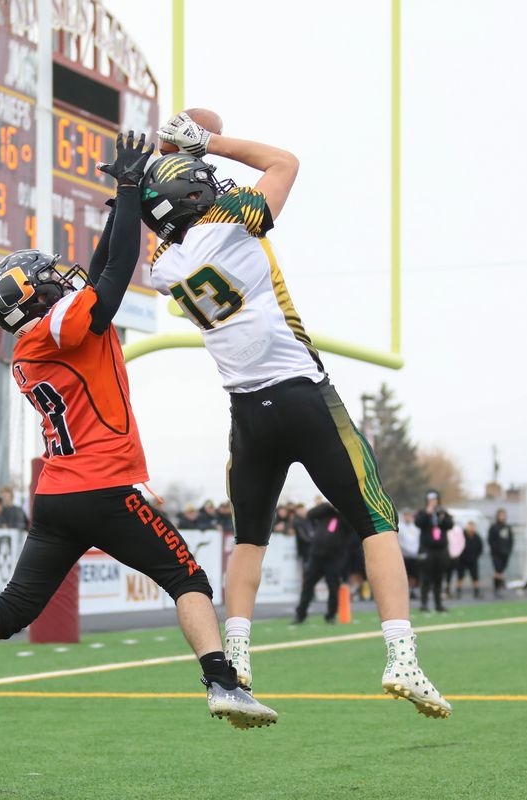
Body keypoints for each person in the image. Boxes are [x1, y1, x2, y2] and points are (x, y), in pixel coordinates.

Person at [0, 132, 276, 766]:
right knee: (186, 576)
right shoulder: (59, 328)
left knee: (16, 603)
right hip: (101, 484)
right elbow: (108, 286)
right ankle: (222, 683)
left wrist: (118, 207)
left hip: (58, 494)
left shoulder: (29, 345)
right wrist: (130, 195)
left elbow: (104, 271)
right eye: (49, 279)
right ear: (39, 300)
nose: (60, 277)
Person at [142, 112, 449, 718]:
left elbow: (165, 216)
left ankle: (238, 655)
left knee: (250, 538)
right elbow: (284, 162)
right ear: (202, 191)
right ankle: (402, 656)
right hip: (302, 393)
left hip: (246, 414)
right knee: (377, 519)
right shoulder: (233, 227)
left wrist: (165, 168)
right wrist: (208, 143)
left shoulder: (165, 267)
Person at [293, 502, 350, 624]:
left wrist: (342, 509)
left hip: (334, 558)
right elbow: (311, 514)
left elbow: (350, 527)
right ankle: (300, 615)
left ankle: (331, 615)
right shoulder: (326, 513)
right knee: (307, 586)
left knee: (333, 587)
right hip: (317, 556)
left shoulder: (345, 517)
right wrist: (329, 505)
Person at [414, 491, 453, 613]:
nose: (433, 502)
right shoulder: (422, 512)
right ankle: (424, 604)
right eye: (430, 500)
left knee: (439, 578)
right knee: (425, 578)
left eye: (435, 500)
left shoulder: (442, 512)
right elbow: (418, 523)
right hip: (427, 550)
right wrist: (427, 513)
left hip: (440, 550)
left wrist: (442, 517)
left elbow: (450, 525)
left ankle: (438, 604)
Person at [454, 521, 484, 599]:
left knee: (475, 576)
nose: (471, 528)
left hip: (473, 560)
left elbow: (480, 548)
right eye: (469, 526)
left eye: (472, 527)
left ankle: (476, 591)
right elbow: (457, 545)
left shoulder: (477, 537)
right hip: (462, 560)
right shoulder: (462, 536)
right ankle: (458, 591)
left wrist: (475, 556)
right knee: (460, 576)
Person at [488, 508, 515, 597]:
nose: (502, 517)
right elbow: (490, 540)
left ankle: (500, 586)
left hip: (506, 553)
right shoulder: (494, 527)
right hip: (496, 553)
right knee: (498, 570)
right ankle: (497, 589)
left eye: (504, 515)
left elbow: (511, 540)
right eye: (501, 515)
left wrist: (509, 549)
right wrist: (495, 549)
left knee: (501, 570)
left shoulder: (507, 527)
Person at [397, 509, 420, 600]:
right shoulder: (400, 527)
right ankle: (405, 591)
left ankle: (412, 591)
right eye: (405, 515)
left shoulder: (415, 527)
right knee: (405, 574)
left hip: (414, 555)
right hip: (404, 555)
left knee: (414, 574)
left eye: (409, 515)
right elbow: (400, 541)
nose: (407, 517)